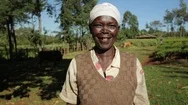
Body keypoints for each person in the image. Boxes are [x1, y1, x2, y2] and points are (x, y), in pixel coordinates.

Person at [59, 2, 150, 105]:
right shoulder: (77, 64)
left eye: (111, 25)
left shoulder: (133, 63)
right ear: (90, 29)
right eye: (98, 25)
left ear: (118, 30)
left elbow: (141, 102)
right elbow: (71, 102)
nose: (105, 30)